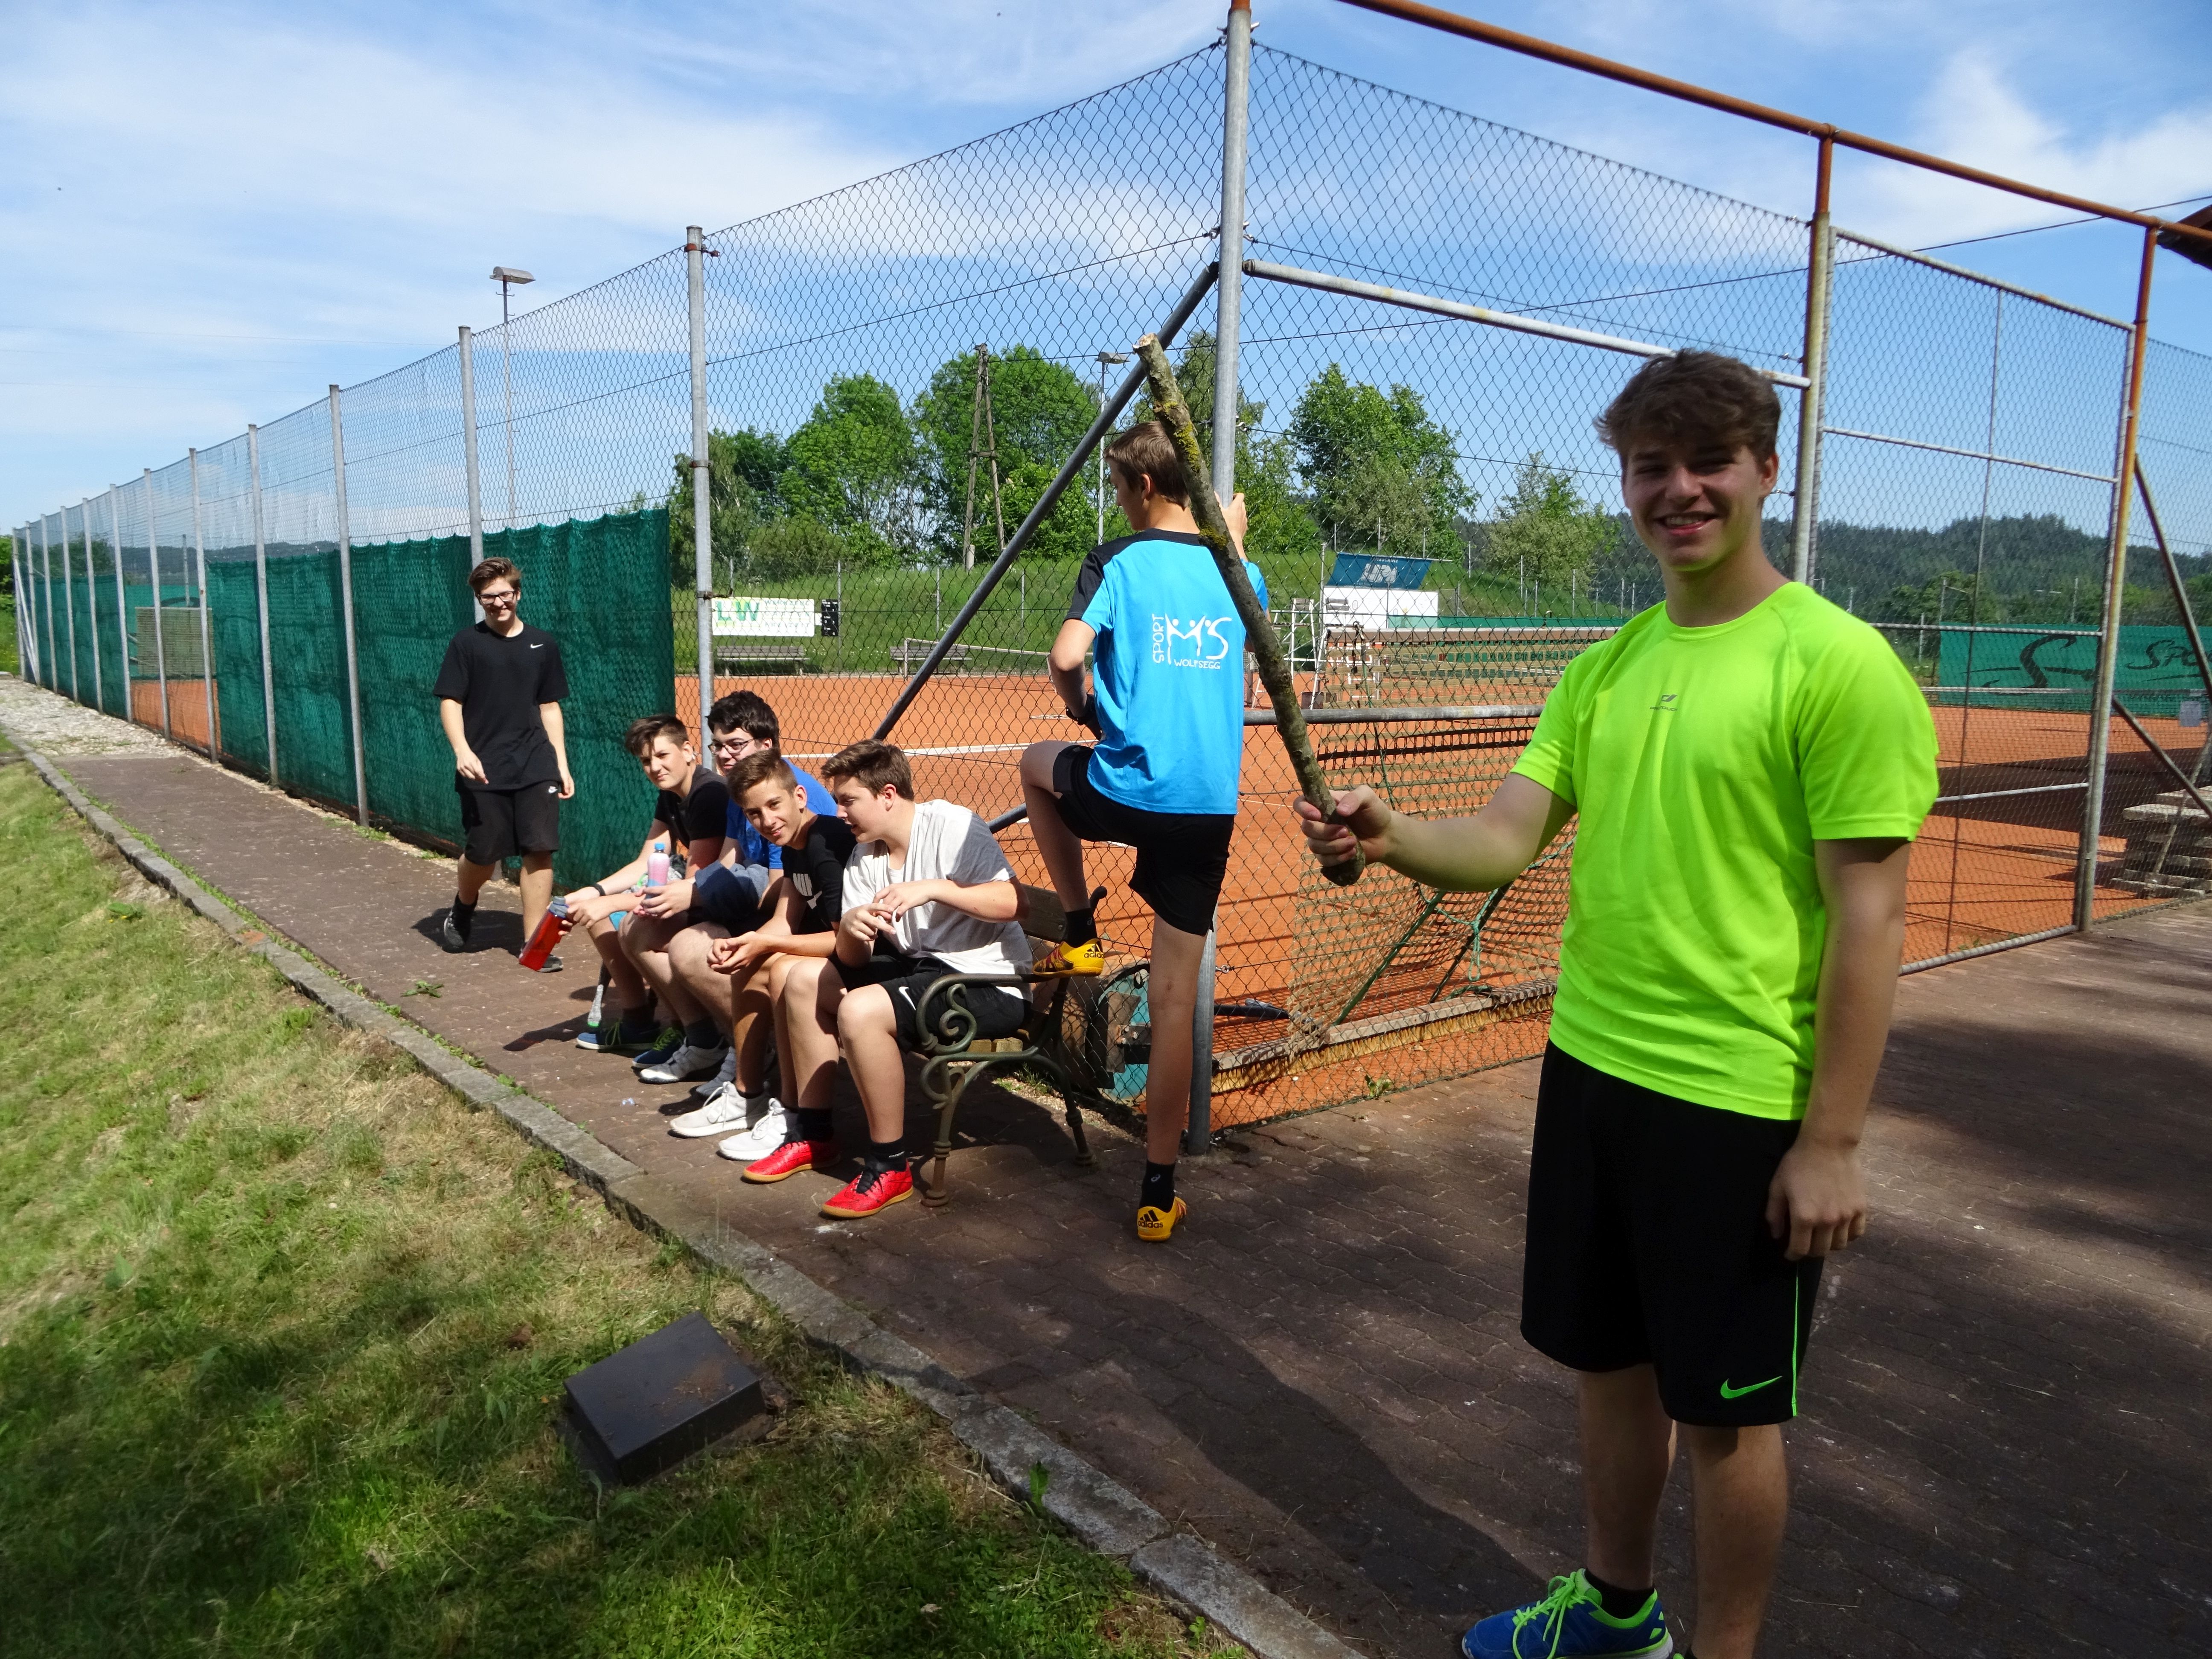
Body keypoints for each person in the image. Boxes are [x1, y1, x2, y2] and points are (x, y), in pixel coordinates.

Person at [1296, 353, 1937, 1659]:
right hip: (1594, 1071)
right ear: (1627, 485)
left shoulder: (1838, 665)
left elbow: (1871, 922)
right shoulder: (1605, 669)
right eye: (1653, 467)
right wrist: (1392, 833)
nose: (1680, 490)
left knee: (1729, 1418)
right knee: (1610, 1367)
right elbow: (1504, 836)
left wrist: (1831, 1142)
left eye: (1710, 462)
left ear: (1768, 471)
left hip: (1738, 1102)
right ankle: (1616, 1617)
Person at [1014, 416, 1263, 1244]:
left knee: (1035, 765)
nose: (1117, 500)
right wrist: (1232, 543)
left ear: (1144, 485)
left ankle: (1079, 929)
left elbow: (1064, 656)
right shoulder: (1237, 570)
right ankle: (1157, 1193)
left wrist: (1083, 709)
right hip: (1206, 809)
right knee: (1175, 1001)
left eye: (1118, 486)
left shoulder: (1117, 561)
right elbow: (1247, 639)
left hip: (1126, 789)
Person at [744, 740, 1030, 1219]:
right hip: (922, 970)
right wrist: (852, 930)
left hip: (988, 982)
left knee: (861, 1011)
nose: (839, 812)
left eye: (848, 801)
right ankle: (813, 1135)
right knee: (801, 979)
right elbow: (853, 958)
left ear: (888, 795)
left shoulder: (952, 824)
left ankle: (889, 1165)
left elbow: (1016, 903)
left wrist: (934, 889)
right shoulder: (866, 854)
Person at [662, 749, 857, 1159]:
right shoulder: (793, 845)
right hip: (828, 952)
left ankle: (790, 1112)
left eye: (774, 805)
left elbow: (843, 941)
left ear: (799, 797)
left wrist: (765, 944)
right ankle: (746, 1095)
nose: (767, 821)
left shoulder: (826, 846)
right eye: (754, 814)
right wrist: (746, 944)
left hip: (864, 959)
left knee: (778, 970)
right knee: (751, 962)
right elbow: (784, 921)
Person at [560, 715, 726, 1062]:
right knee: (601, 918)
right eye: (646, 761)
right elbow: (646, 861)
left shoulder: (708, 794)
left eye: (663, 756)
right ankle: (638, 1023)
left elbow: (693, 887)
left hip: (715, 905)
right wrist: (592, 892)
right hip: (692, 896)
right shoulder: (671, 794)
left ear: (688, 751)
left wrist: (613, 903)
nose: (655, 767)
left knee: (637, 928)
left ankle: (695, 1034)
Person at [433, 556, 573, 960]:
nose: (499, 603)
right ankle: (464, 905)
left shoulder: (543, 644)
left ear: (518, 594)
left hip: (536, 762)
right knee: (484, 853)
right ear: (480, 600)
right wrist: (462, 750)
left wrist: (561, 764)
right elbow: (451, 701)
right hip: (484, 766)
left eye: (505, 594)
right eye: (488, 597)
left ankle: (534, 944)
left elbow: (549, 706)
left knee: (539, 849)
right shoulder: (466, 644)